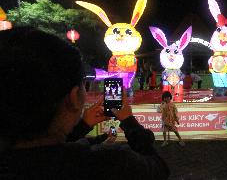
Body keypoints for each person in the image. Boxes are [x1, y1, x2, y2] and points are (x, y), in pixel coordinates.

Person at [0, 27, 169, 180]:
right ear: (74, 98)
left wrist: (83, 125)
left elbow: (46, 151)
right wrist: (129, 122)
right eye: (82, 84)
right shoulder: (108, 164)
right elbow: (158, 169)